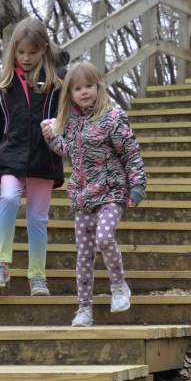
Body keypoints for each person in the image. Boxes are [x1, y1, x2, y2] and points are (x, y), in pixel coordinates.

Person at [41, 59, 146, 326]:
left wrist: (137, 186)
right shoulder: (71, 123)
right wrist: (52, 137)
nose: (84, 91)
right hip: (83, 196)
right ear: (70, 94)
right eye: (78, 88)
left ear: (98, 87)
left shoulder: (113, 118)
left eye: (89, 85)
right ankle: (84, 309)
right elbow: (71, 153)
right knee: (84, 254)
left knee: (104, 238)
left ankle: (119, 286)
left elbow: (130, 152)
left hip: (111, 191)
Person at [0, 17, 67, 297]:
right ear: (13, 51)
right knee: (7, 198)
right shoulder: (3, 85)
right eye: (20, 52)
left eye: (32, 52)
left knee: (37, 219)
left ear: (43, 49)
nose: (26, 58)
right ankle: (1, 264)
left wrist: (57, 129)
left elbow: (70, 119)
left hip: (44, 158)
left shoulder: (57, 81)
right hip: (11, 157)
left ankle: (37, 277)